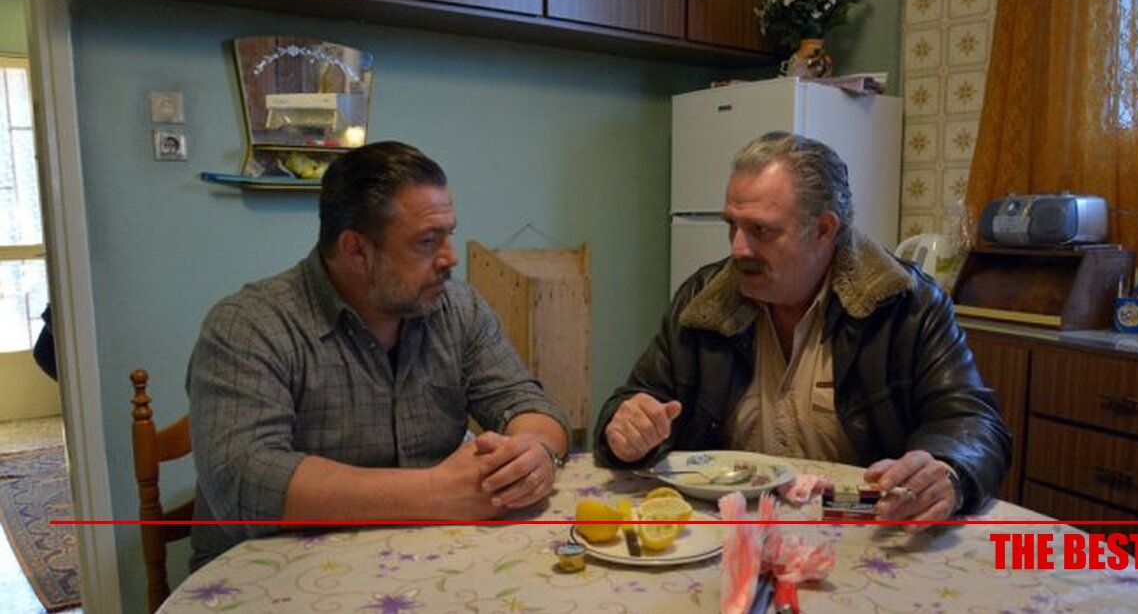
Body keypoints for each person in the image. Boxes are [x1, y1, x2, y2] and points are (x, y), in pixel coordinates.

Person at [595, 132, 1011, 530]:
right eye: (732, 226)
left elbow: (972, 423)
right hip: (726, 531)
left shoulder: (907, 306)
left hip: (863, 530)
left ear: (824, 229)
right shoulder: (702, 301)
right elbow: (633, 403)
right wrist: (627, 429)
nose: (738, 248)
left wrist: (947, 469)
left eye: (761, 230)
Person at [187, 141, 569, 569]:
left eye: (449, 234)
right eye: (427, 241)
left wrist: (535, 453)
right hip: (271, 574)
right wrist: (434, 492)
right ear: (356, 251)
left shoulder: (459, 308)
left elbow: (527, 403)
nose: (450, 258)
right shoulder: (249, 325)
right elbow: (243, 479)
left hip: (423, 564)